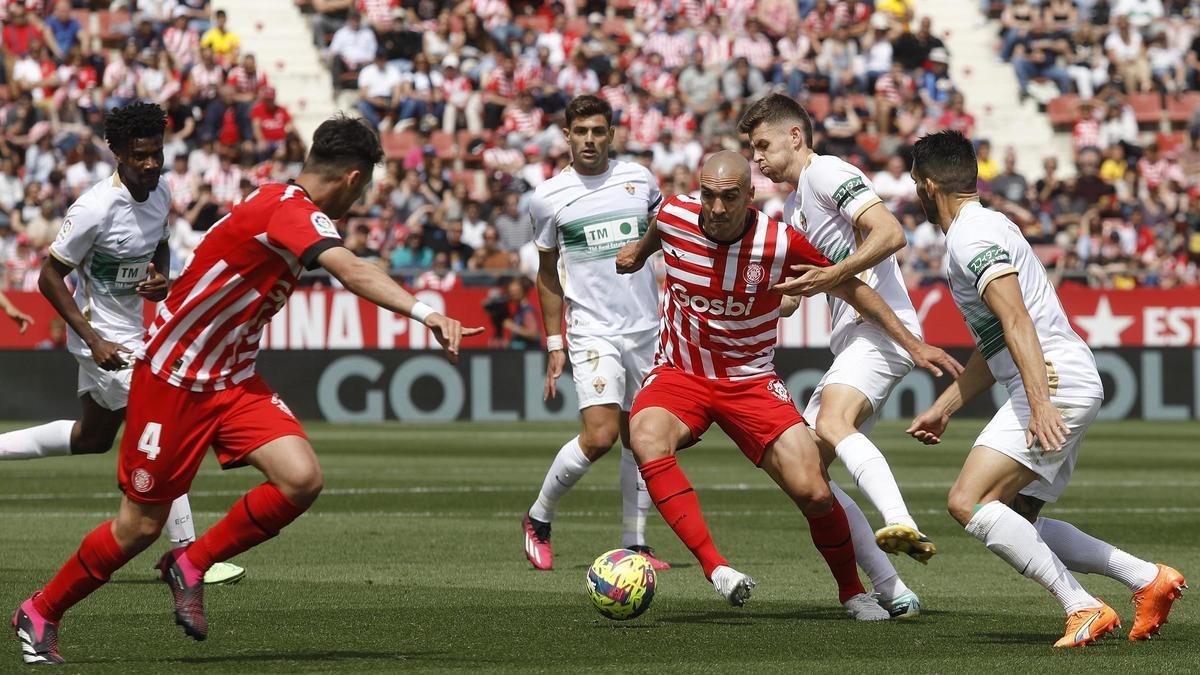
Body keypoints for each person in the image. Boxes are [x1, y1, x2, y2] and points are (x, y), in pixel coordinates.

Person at [11, 115, 482, 665]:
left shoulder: (279, 200)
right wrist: (426, 312)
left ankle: (191, 561)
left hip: (232, 379)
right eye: (366, 186)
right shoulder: (289, 210)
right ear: (354, 179)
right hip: (175, 380)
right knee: (139, 526)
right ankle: (40, 610)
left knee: (301, 479)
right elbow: (350, 270)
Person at [616, 152, 959, 619]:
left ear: (750, 196)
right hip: (681, 373)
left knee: (815, 490)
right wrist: (638, 252)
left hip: (751, 381)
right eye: (709, 196)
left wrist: (914, 345)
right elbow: (659, 226)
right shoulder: (677, 214)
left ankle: (853, 592)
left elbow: (852, 287)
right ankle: (716, 567)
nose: (716, 209)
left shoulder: (779, 243)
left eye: (729, 198)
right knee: (645, 437)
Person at [907, 130, 1186, 647]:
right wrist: (946, 407)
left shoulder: (971, 236)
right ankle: (1147, 579)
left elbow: (1017, 321)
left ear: (927, 186)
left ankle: (1082, 607)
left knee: (969, 501)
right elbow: (998, 340)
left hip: (1052, 377)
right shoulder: (986, 226)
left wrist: (1038, 403)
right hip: (1064, 373)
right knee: (1016, 516)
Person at [0, 103, 246, 595]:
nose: (151, 165)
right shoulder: (94, 207)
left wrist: (160, 275)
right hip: (100, 336)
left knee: (93, 438)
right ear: (116, 154)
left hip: (132, 331)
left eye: (156, 154)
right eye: (140, 156)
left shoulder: (161, 191)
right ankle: (187, 554)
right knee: (167, 421)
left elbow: (158, 243)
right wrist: (93, 339)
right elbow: (50, 277)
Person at [738, 94, 953, 617]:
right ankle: (891, 590)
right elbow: (792, 296)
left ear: (795, 136)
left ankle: (900, 519)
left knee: (833, 423)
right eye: (750, 149)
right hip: (852, 339)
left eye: (762, 144)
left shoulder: (828, 172)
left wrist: (832, 276)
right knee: (806, 474)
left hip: (877, 330)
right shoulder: (792, 208)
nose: (757, 158)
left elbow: (890, 233)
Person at [521, 95, 669, 572]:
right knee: (601, 435)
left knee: (641, 438)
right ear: (566, 135)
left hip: (648, 329)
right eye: (581, 131)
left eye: (598, 131)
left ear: (611, 134)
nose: (589, 140)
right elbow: (547, 274)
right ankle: (539, 517)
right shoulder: (548, 196)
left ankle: (636, 543)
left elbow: (669, 238)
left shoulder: (639, 180)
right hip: (592, 331)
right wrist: (554, 342)